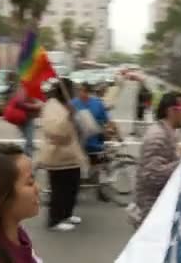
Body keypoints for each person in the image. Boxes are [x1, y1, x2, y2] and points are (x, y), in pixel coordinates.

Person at [129, 92, 181, 228]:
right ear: (171, 111)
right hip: (152, 211)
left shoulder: (168, 133)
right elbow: (151, 174)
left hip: (160, 207)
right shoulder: (158, 136)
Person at [38, 78, 88, 232]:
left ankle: (66, 214)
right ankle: (54, 220)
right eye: (72, 89)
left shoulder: (66, 104)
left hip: (71, 155)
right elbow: (54, 131)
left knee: (72, 188)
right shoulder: (51, 106)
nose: (74, 92)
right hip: (58, 156)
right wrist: (68, 117)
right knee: (60, 190)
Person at [71, 82, 110, 201]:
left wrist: (110, 132)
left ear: (87, 91)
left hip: (95, 142)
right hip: (78, 142)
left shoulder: (97, 104)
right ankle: (74, 191)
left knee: (98, 168)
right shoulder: (73, 103)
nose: (80, 93)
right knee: (75, 168)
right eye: (78, 91)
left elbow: (106, 121)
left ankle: (99, 191)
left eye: (82, 90)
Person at [14, 88, 43, 157]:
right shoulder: (23, 90)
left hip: (28, 117)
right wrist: (35, 106)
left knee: (28, 137)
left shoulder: (28, 91)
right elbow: (20, 103)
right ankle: (27, 155)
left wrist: (38, 102)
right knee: (28, 138)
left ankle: (28, 150)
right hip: (24, 118)